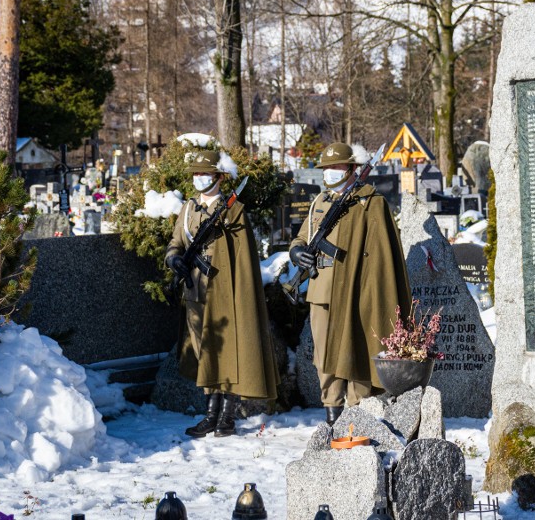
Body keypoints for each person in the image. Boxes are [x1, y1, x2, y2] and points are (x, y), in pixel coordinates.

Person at [289, 142, 412, 425]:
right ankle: (332, 411)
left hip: (356, 291)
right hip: (322, 290)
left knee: (358, 349)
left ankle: (358, 411)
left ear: (352, 168)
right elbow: (301, 238)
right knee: (325, 355)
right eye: (326, 168)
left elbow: (381, 256)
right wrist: (297, 252)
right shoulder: (320, 203)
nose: (330, 172)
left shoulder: (370, 202)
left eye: (337, 167)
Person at [166, 150, 279, 437]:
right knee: (206, 353)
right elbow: (176, 242)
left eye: (204, 174)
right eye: (195, 174)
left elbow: (242, 257)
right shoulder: (189, 209)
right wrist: (173, 259)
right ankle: (209, 415)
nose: (199, 179)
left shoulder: (233, 210)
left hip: (226, 293)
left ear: (218, 177)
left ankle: (226, 417)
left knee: (229, 353)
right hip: (195, 291)